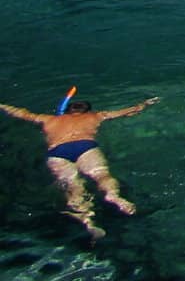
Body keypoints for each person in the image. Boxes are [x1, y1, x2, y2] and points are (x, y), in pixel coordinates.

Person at [0, 94, 160, 240]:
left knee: (72, 185)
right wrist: (144, 104)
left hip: (57, 152)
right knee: (102, 176)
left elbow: (21, 113)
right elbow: (128, 111)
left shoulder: (47, 119)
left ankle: (88, 221)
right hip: (85, 147)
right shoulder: (95, 116)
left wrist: (2, 105)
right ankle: (113, 196)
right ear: (87, 111)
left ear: (66, 111)